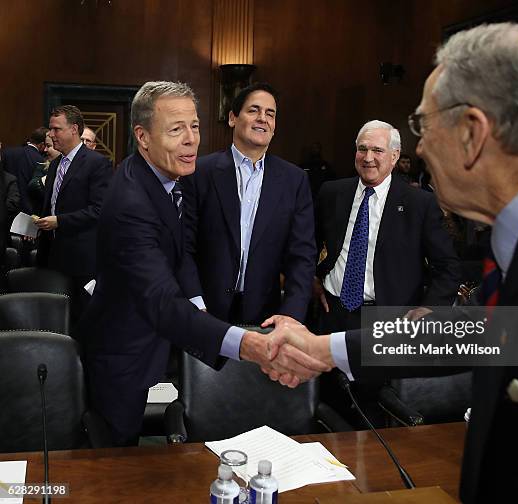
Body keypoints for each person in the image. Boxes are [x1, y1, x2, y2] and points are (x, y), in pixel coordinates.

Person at [270, 23, 518, 503]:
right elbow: (488, 333)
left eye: (423, 127)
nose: (421, 149)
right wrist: (328, 350)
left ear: (473, 132)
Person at [79, 81, 327, 447]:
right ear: (142, 136)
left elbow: (180, 254)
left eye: (194, 126)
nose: (191, 139)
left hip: (159, 342)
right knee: (118, 467)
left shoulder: (167, 179)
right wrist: (253, 347)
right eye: (176, 129)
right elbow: (163, 301)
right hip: (124, 355)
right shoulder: (132, 200)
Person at [182, 83, 316, 326]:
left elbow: (302, 256)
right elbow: (184, 246)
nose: (263, 119)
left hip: (266, 317)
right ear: (233, 118)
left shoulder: (294, 180)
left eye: (270, 114)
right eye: (254, 110)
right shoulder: (200, 172)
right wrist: (194, 302)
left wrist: (292, 314)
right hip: (204, 312)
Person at [314, 120, 460, 334]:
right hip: (331, 314)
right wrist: (311, 279)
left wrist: (431, 308)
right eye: (362, 149)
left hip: (388, 323)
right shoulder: (332, 193)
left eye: (377, 150)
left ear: (394, 156)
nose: (368, 157)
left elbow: (448, 266)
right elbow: (307, 242)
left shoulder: (419, 204)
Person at [34, 105, 112, 321]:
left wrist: (59, 221)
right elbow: (53, 203)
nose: (50, 134)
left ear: (74, 129)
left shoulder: (97, 163)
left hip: (82, 261)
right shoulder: (56, 163)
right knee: (54, 320)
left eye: (56, 129)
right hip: (52, 257)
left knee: (81, 320)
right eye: (50, 129)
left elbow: (99, 210)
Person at [1, 127, 47, 214]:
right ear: (41, 144)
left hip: (7, 208)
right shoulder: (41, 161)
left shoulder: (7, 153)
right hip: (30, 210)